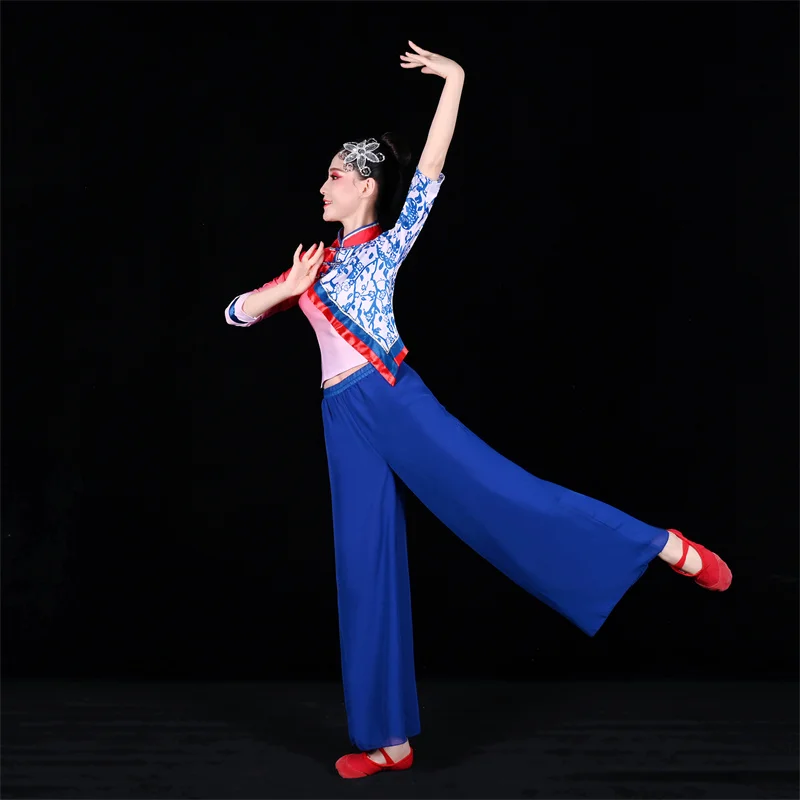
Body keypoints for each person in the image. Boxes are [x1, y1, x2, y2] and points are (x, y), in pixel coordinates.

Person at [224, 41, 732, 780]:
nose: (322, 186)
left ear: (366, 186)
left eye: (334, 176)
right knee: (363, 565)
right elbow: (235, 312)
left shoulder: (384, 245)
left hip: (391, 398)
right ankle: (389, 741)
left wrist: (454, 79)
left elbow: (430, 170)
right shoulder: (316, 264)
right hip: (342, 417)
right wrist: (285, 288)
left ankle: (661, 545)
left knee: (502, 493)